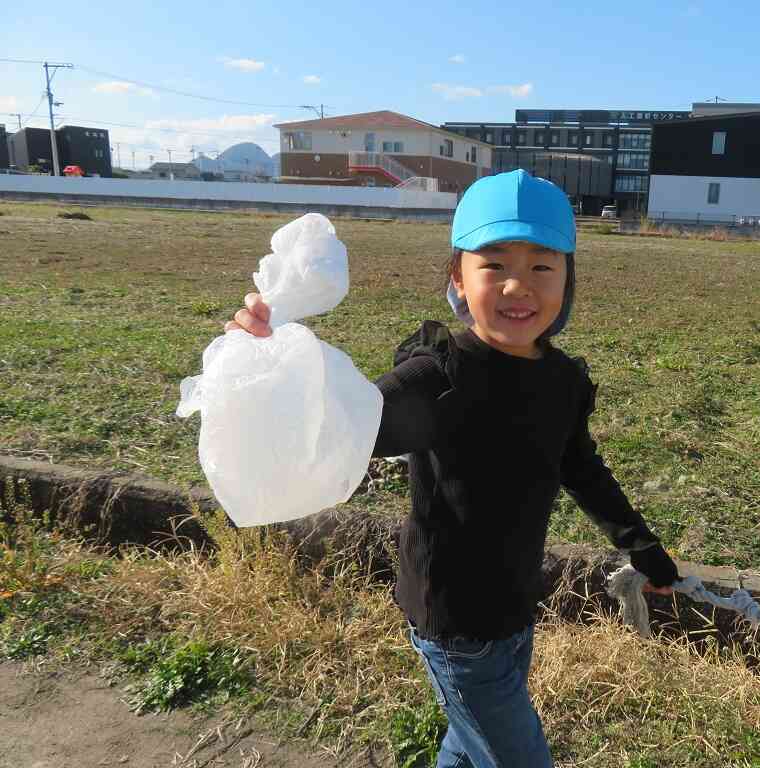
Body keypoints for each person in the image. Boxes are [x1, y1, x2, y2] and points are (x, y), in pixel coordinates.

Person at [225, 169, 680, 767]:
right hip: (453, 620)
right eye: (494, 265)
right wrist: (269, 361)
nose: (519, 285)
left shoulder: (562, 380)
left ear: (567, 281)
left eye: (542, 266)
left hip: (514, 606)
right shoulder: (438, 378)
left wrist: (643, 548)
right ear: (458, 281)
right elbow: (346, 427)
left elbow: (582, 468)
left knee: (468, 747)